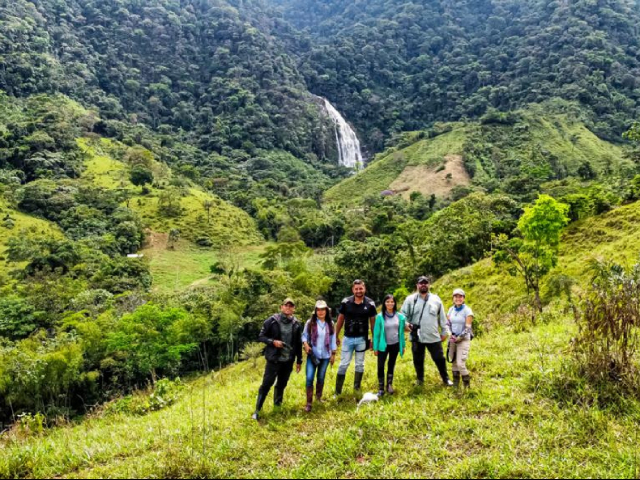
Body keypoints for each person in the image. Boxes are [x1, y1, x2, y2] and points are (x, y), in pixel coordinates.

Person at [252, 298, 303, 421]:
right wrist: (272, 342)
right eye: (286, 305)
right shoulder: (272, 321)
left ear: (294, 309)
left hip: (288, 360)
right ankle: (257, 410)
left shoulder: (296, 323)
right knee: (266, 384)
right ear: (281, 307)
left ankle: (277, 407)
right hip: (274, 359)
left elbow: (298, 343)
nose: (288, 308)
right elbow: (261, 337)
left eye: (291, 306)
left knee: (281, 384)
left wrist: (299, 360)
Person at [401, 276, 453, 387]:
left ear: (429, 285)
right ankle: (420, 380)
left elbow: (442, 318)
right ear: (417, 285)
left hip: (433, 335)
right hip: (416, 336)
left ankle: (446, 379)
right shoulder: (410, 299)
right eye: (421, 283)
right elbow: (402, 316)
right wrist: (407, 325)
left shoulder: (436, 299)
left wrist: (445, 332)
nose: (423, 285)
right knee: (418, 359)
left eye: (426, 283)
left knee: (439, 358)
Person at [335, 280, 377, 395]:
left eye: (361, 289)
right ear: (353, 290)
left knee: (360, 364)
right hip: (347, 338)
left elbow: (373, 323)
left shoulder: (370, 304)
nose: (358, 291)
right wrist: (336, 335)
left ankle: (356, 388)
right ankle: (337, 392)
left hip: (362, 339)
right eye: (356, 289)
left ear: (364, 289)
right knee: (343, 364)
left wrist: (374, 339)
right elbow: (340, 319)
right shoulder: (346, 302)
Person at [302, 300, 337, 412]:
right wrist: (306, 344)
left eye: (323, 309)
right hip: (313, 354)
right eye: (318, 309)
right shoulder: (310, 323)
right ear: (315, 311)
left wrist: (333, 354)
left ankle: (318, 397)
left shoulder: (330, 324)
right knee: (309, 377)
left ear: (326, 311)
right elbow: (304, 336)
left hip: (326, 355)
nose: (321, 312)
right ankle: (308, 402)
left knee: (321, 377)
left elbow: (332, 339)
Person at [373, 294, 408, 396]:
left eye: (392, 302)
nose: (390, 304)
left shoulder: (400, 316)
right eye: (387, 302)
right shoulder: (379, 317)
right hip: (383, 345)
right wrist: (375, 347)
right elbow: (376, 334)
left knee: (391, 364)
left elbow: (401, 333)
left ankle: (389, 385)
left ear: (395, 303)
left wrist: (403, 345)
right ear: (384, 303)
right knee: (380, 366)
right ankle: (380, 388)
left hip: (395, 344)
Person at [447, 289, 475, 388]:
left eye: (460, 297)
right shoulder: (451, 309)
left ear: (463, 298)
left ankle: (467, 385)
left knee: (460, 363)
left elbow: (468, 327)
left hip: (463, 339)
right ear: (453, 298)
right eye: (456, 296)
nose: (458, 299)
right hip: (453, 339)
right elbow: (447, 324)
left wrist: (459, 337)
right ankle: (455, 384)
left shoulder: (467, 311)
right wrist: (450, 333)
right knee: (453, 361)